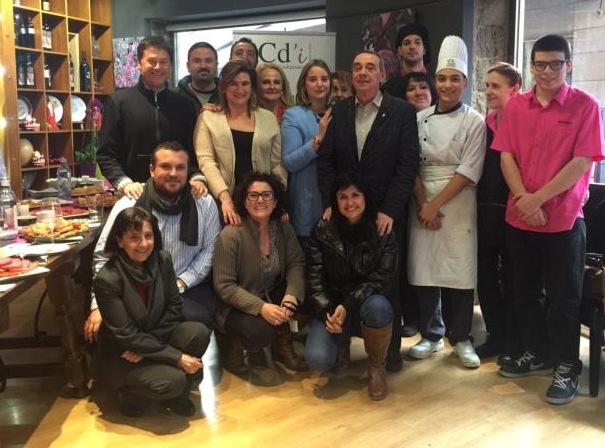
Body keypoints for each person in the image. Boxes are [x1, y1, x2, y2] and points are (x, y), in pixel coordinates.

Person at [493, 33, 605, 405]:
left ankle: (566, 365)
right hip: (520, 216)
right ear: (532, 66)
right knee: (523, 293)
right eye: (540, 64)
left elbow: (582, 161)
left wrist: (538, 199)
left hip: (563, 219)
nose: (547, 71)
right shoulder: (517, 107)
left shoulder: (584, 106)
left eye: (555, 63)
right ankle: (537, 353)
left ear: (568, 65)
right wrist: (524, 200)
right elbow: (506, 155)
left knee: (564, 299)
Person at [318, 50, 419, 371]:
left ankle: (387, 354)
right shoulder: (339, 111)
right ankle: (343, 342)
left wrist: (390, 209)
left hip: (385, 214)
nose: (363, 73)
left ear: (381, 74)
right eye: (357, 67)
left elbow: (407, 165)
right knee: (343, 275)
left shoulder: (401, 111)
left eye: (370, 68)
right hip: (347, 212)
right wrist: (330, 204)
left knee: (388, 280)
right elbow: (327, 163)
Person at [85, 141, 220, 342]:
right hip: (138, 287)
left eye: (180, 167)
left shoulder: (203, 202)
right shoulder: (129, 203)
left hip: (186, 284)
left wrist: (180, 283)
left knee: (197, 321)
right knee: (113, 327)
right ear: (152, 169)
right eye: (165, 166)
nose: (173, 173)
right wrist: (98, 304)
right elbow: (104, 255)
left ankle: (176, 363)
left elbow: (210, 250)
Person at [407, 35, 485, 369]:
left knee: (459, 271)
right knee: (426, 269)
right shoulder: (418, 119)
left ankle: (462, 337)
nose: (448, 85)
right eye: (442, 78)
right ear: (434, 81)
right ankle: (431, 334)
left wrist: (434, 205)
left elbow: (469, 170)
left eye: (455, 79)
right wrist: (423, 203)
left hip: (459, 200)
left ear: (465, 83)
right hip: (422, 197)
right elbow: (410, 165)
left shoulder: (475, 121)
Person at [92, 207, 210, 418]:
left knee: (197, 331)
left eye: (148, 236)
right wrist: (176, 357)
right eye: (134, 238)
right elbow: (127, 335)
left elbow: (175, 307)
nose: (144, 244)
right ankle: (131, 397)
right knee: (174, 379)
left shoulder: (162, 259)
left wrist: (147, 346)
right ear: (119, 241)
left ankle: (177, 397)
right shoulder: (107, 279)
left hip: (145, 344)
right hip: (123, 356)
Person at [305, 173, 396, 401]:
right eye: (342, 196)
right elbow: (314, 280)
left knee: (380, 307)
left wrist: (349, 304)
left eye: (356, 195)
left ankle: (376, 367)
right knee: (317, 359)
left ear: (366, 198)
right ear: (334, 200)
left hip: (365, 306)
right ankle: (340, 346)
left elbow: (383, 278)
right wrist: (329, 312)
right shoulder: (322, 228)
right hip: (334, 307)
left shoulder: (382, 229)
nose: (350, 203)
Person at [212, 172, 307, 384]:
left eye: (266, 195)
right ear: (243, 201)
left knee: (306, 299)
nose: (260, 200)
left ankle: (281, 346)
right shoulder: (232, 234)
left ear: (275, 200)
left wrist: (291, 296)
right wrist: (261, 308)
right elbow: (224, 286)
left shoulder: (282, 227)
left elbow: (296, 263)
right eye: (253, 195)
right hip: (234, 307)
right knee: (261, 331)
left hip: (269, 292)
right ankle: (233, 346)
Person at [97, 36, 197, 199]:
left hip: (177, 194)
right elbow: (105, 154)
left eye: (164, 62)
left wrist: (195, 176)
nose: (158, 67)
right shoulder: (119, 101)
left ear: (170, 65)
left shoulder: (184, 105)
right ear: (139, 63)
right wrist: (124, 182)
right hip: (133, 194)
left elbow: (193, 150)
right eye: (152, 61)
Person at [195, 59, 286, 226]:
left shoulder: (268, 118)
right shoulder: (208, 118)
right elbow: (206, 161)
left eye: (245, 84)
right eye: (233, 84)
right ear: (223, 87)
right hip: (223, 203)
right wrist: (225, 199)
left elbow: (276, 165)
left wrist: (279, 201)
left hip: (262, 203)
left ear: (252, 88)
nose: (239, 89)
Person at [475, 63, 521, 363]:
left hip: (516, 211)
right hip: (486, 209)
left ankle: (516, 340)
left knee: (516, 278)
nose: (489, 91)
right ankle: (496, 334)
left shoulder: (523, 122)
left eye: (496, 86)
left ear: (514, 89)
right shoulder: (486, 123)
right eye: (487, 85)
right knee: (487, 275)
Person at [281, 59, 333, 240]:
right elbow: (289, 162)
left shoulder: (339, 112)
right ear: (304, 84)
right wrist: (318, 139)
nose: (319, 84)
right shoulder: (293, 115)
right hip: (307, 204)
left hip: (338, 203)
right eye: (313, 79)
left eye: (324, 79)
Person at [381, 23, 434, 101]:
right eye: (407, 43)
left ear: (424, 50)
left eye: (417, 42)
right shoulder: (387, 90)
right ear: (399, 50)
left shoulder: (436, 82)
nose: (412, 47)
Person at [176, 41, 221, 115]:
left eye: (208, 61)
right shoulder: (175, 97)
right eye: (197, 61)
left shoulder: (227, 96)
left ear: (216, 66)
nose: (203, 66)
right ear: (188, 66)